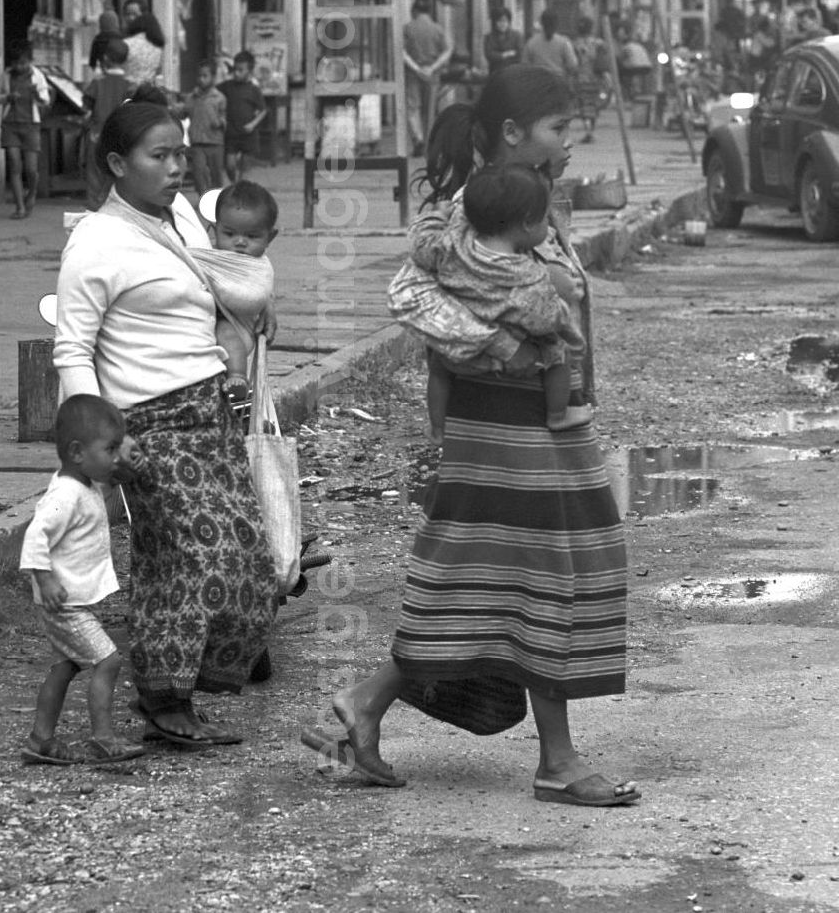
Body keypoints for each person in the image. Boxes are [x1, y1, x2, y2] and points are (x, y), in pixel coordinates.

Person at [301, 64, 640, 807]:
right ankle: (557, 760)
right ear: (513, 134)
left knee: (486, 584)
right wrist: (502, 349)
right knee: (543, 574)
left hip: (541, 422)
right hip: (506, 423)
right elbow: (413, 296)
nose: (568, 146)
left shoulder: (533, 203)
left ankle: (363, 703)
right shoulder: (474, 209)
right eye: (557, 131)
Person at [53, 97, 278, 746]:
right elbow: (72, 348)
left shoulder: (179, 216)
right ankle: (163, 697)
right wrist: (90, 447)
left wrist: (247, 312)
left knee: (252, 556)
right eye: (161, 156)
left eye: (181, 153)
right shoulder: (94, 242)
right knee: (185, 558)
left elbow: (202, 291)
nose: (178, 166)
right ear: (119, 163)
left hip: (209, 408)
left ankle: (190, 681)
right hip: (146, 424)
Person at [416, 161, 589, 442]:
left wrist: (435, 217)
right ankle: (558, 416)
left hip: (456, 357)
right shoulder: (526, 274)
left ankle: (438, 429)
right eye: (546, 217)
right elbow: (546, 319)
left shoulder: (452, 249)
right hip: (503, 360)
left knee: (437, 368)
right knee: (558, 351)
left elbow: (421, 245)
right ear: (527, 224)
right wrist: (565, 302)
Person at [19, 394, 146, 766]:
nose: (116, 456)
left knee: (66, 665)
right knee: (107, 661)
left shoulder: (85, 483)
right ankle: (104, 738)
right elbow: (35, 535)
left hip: (69, 600)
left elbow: (110, 478)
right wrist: (44, 579)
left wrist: (119, 469)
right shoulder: (64, 495)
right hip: (64, 603)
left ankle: (41, 739)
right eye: (109, 449)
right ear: (77, 452)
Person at [192, 180, 278, 403]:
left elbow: (249, 297)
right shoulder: (210, 254)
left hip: (237, 324)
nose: (239, 242)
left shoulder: (258, 265)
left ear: (271, 237)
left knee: (227, 333)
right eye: (229, 234)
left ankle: (237, 377)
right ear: (214, 229)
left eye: (251, 237)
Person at [0, 39, 52, 220]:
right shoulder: (6, 76)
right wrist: (7, 97)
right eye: (16, 63)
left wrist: (36, 94)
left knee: (31, 168)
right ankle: (19, 206)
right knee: (14, 164)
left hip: (31, 125)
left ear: (30, 61)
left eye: (23, 63)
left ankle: (32, 193)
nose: (19, 67)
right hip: (10, 124)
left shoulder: (37, 76)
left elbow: (46, 100)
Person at [81, 37, 132, 210]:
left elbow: (86, 107)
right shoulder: (129, 85)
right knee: (116, 174)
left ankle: (95, 209)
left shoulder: (98, 83)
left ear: (106, 59)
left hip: (97, 135)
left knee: (95, 175)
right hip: (120, 138)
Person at [403, 0, 453, 156]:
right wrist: (432, 67)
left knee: (413, 107)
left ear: (414, 11)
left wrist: (417, 68)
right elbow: (447, 51)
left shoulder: (408, 28)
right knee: (429, 109)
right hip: (433, 73)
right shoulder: (438, 29)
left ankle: (418, 138)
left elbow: (402, 52)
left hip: (413, 73)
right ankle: (429, 143)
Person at [217, 50, 267, 183]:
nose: (237, 72)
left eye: (241, 70)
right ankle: (235, 185)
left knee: (245, 170)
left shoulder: (253, 90)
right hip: (231, 134)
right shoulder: (227, 86)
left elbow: (263, 110)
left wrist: (253, 124)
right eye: (235, 69)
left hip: (248, 136)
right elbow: (212, 91)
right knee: (230, 166)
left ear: (249, 71)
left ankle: (240, 190)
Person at [183, 59, 227, 196]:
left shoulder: (219, 98)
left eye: (205, 76)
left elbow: (224, 119)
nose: (201, 79)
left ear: (213, 78)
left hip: (215, 142)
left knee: (216, 174)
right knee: (199, 172)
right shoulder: (191, 98)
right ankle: (203, 197)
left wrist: (219, 122)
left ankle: (216, 199)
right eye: (199, 76)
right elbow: (183, 112)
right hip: (197, 142)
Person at [572, 16, 606, 143]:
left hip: (581, 78)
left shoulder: (575, 43)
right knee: (594, 105)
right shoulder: (598, 43)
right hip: (596, 78)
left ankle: (588, 131)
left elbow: (572, 62)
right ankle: (591, 130)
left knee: (584, 104)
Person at [522, 10, 578, 82]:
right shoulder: (564, 42)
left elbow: (524, 67)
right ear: (557, 23)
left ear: (541, 23)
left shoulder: (531, 43)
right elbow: (572, 65)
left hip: (538, 84)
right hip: (558, 83)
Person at [123, 10, 166, 89]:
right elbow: (158, 72)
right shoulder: (157, 48)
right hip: (148, 89)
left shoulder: (126, 43)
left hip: (128, 88)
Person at [483, 7, 523, 75]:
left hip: (513, 72)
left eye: (505, 21)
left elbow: (520, 54)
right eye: (499, 21)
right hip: (495, 73)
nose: (502, 24)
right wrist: (505, 54)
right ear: (494, 22)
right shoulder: (489, 37)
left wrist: (498, 55)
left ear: (509, 22)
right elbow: (489, 55)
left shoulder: (516, 36)